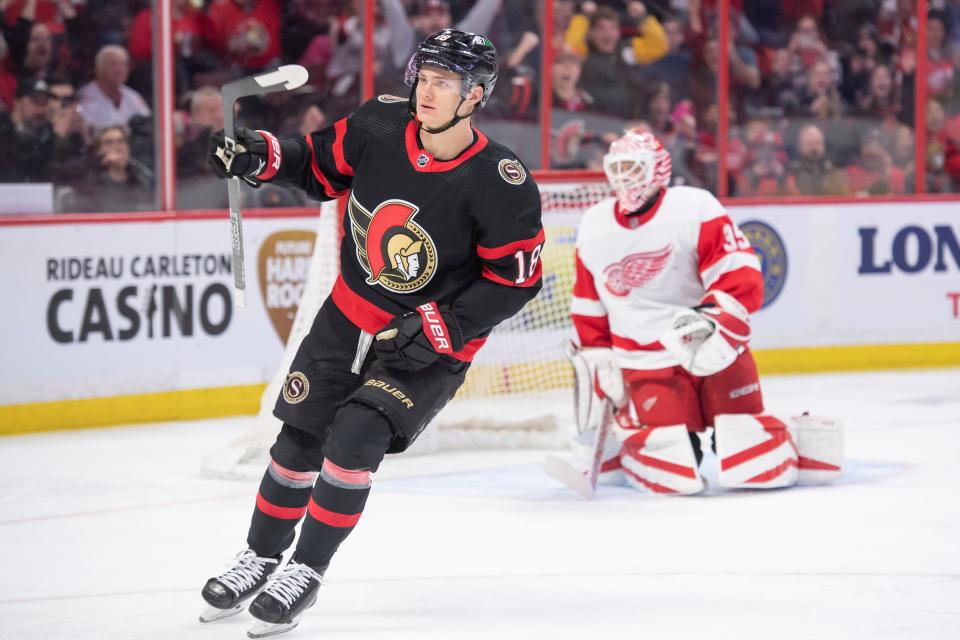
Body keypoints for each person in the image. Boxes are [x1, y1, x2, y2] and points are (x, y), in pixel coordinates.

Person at [200, 29, 543, 637]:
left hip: (429, 344)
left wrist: (441, 324)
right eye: (425, 77)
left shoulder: (501, 180)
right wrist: (262, 156)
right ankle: (260, 556)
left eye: (444, 82)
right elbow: (318, 166)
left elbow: (515, 280)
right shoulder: (380, 124)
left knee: (353, 439)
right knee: (297, 444)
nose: (426, 91)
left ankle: (305, 570)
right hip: (346, 317)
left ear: (475, 96)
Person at [568, 129, 841, 495]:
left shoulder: (695, 207)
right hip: (647, 364)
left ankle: (792, 439)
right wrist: (598, 354)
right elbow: (588, 303)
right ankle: (630, 440)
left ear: (658, 169)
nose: (624, 177)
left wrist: (715, 321)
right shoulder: (594, 226)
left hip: (711, 351)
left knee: (750, 455)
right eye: (617, 168)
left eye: (633, 167)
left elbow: (738, 273)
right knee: (672, 468)